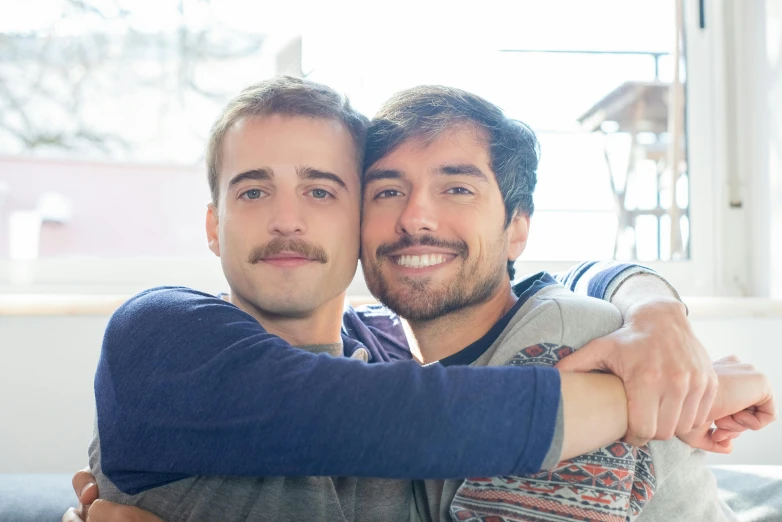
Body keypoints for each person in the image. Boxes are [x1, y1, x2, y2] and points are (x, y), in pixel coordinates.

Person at [62, 77, 771, 522]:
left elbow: (554, 288)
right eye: (253, 190)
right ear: (213, 225)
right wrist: (679, 393)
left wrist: (653, 309)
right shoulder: (161, 334)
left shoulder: (409, 346)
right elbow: (418, 417)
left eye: (321, 190)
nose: (287, 219)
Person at [359, 85, 774, 521]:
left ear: (517, 231)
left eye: (458, 189)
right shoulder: (370, 342)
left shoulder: (568, 341)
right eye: (387, 192)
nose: (414, 217)